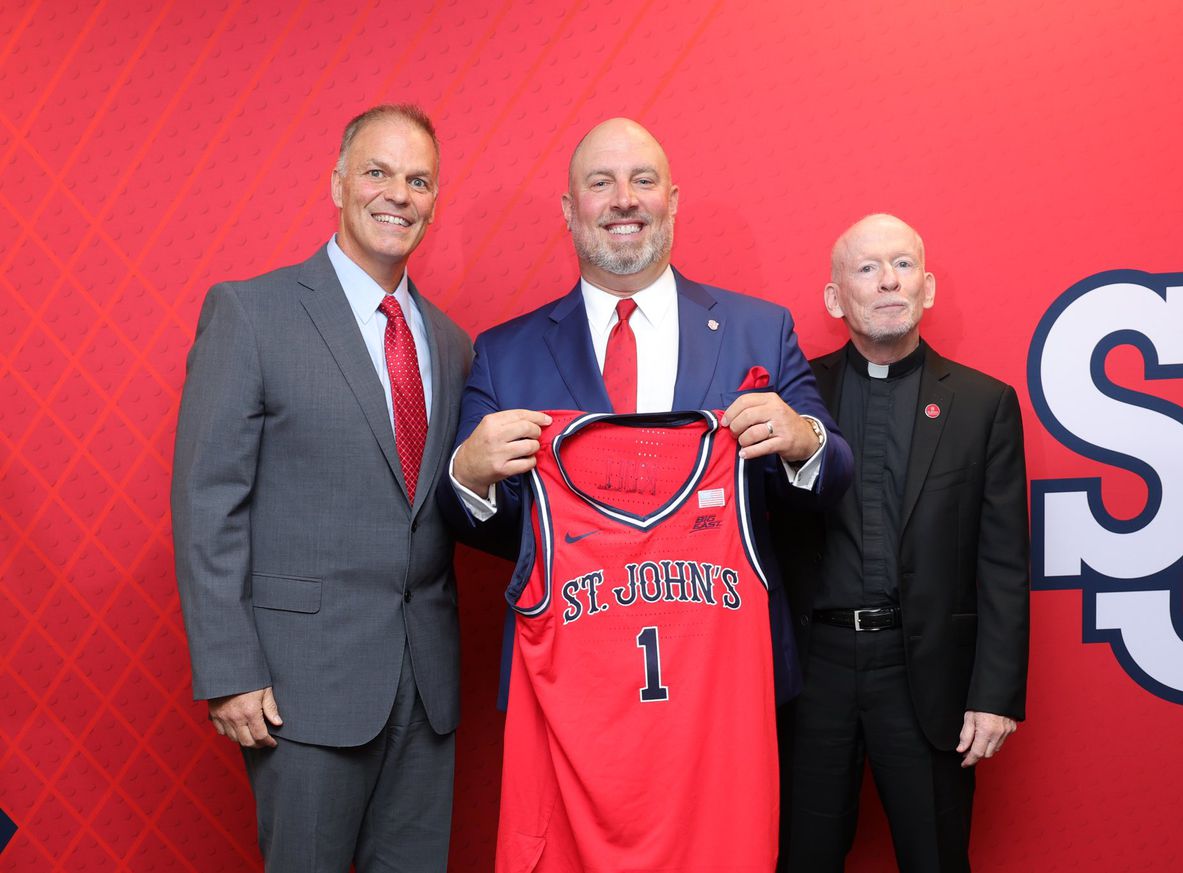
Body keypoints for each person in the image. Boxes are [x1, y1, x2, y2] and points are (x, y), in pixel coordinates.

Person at [438, 117, 853, 704]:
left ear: (673, 200)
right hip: (568, 679)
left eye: (643, 180)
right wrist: (469, 475)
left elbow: (833, 475)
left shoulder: (760, 329)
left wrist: (803, 440)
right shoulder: (505, 353)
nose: (624, 200)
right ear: (569, 207)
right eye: (601, 183)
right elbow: (471, 519)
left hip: (724, 674)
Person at [172, 104, 471, 873]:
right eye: (377, 172)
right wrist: (230, 669)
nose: (397, 194)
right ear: (338, 182)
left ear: (435, 199)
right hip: (300, 687)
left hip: (426, 686)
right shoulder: (251, 312)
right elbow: (209, 500)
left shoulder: (451, 341)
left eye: (418, 180)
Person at [776, 214, 1030, 872]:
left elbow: (1002, 562)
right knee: (800, 856)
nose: (888, 280)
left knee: (936, 857)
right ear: (836, 298)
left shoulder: (984, 404)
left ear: (929, 287)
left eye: (903, 265)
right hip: (813, 672)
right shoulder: (792, 398)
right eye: (866, 268)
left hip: (926, 672)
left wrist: (996, 693)